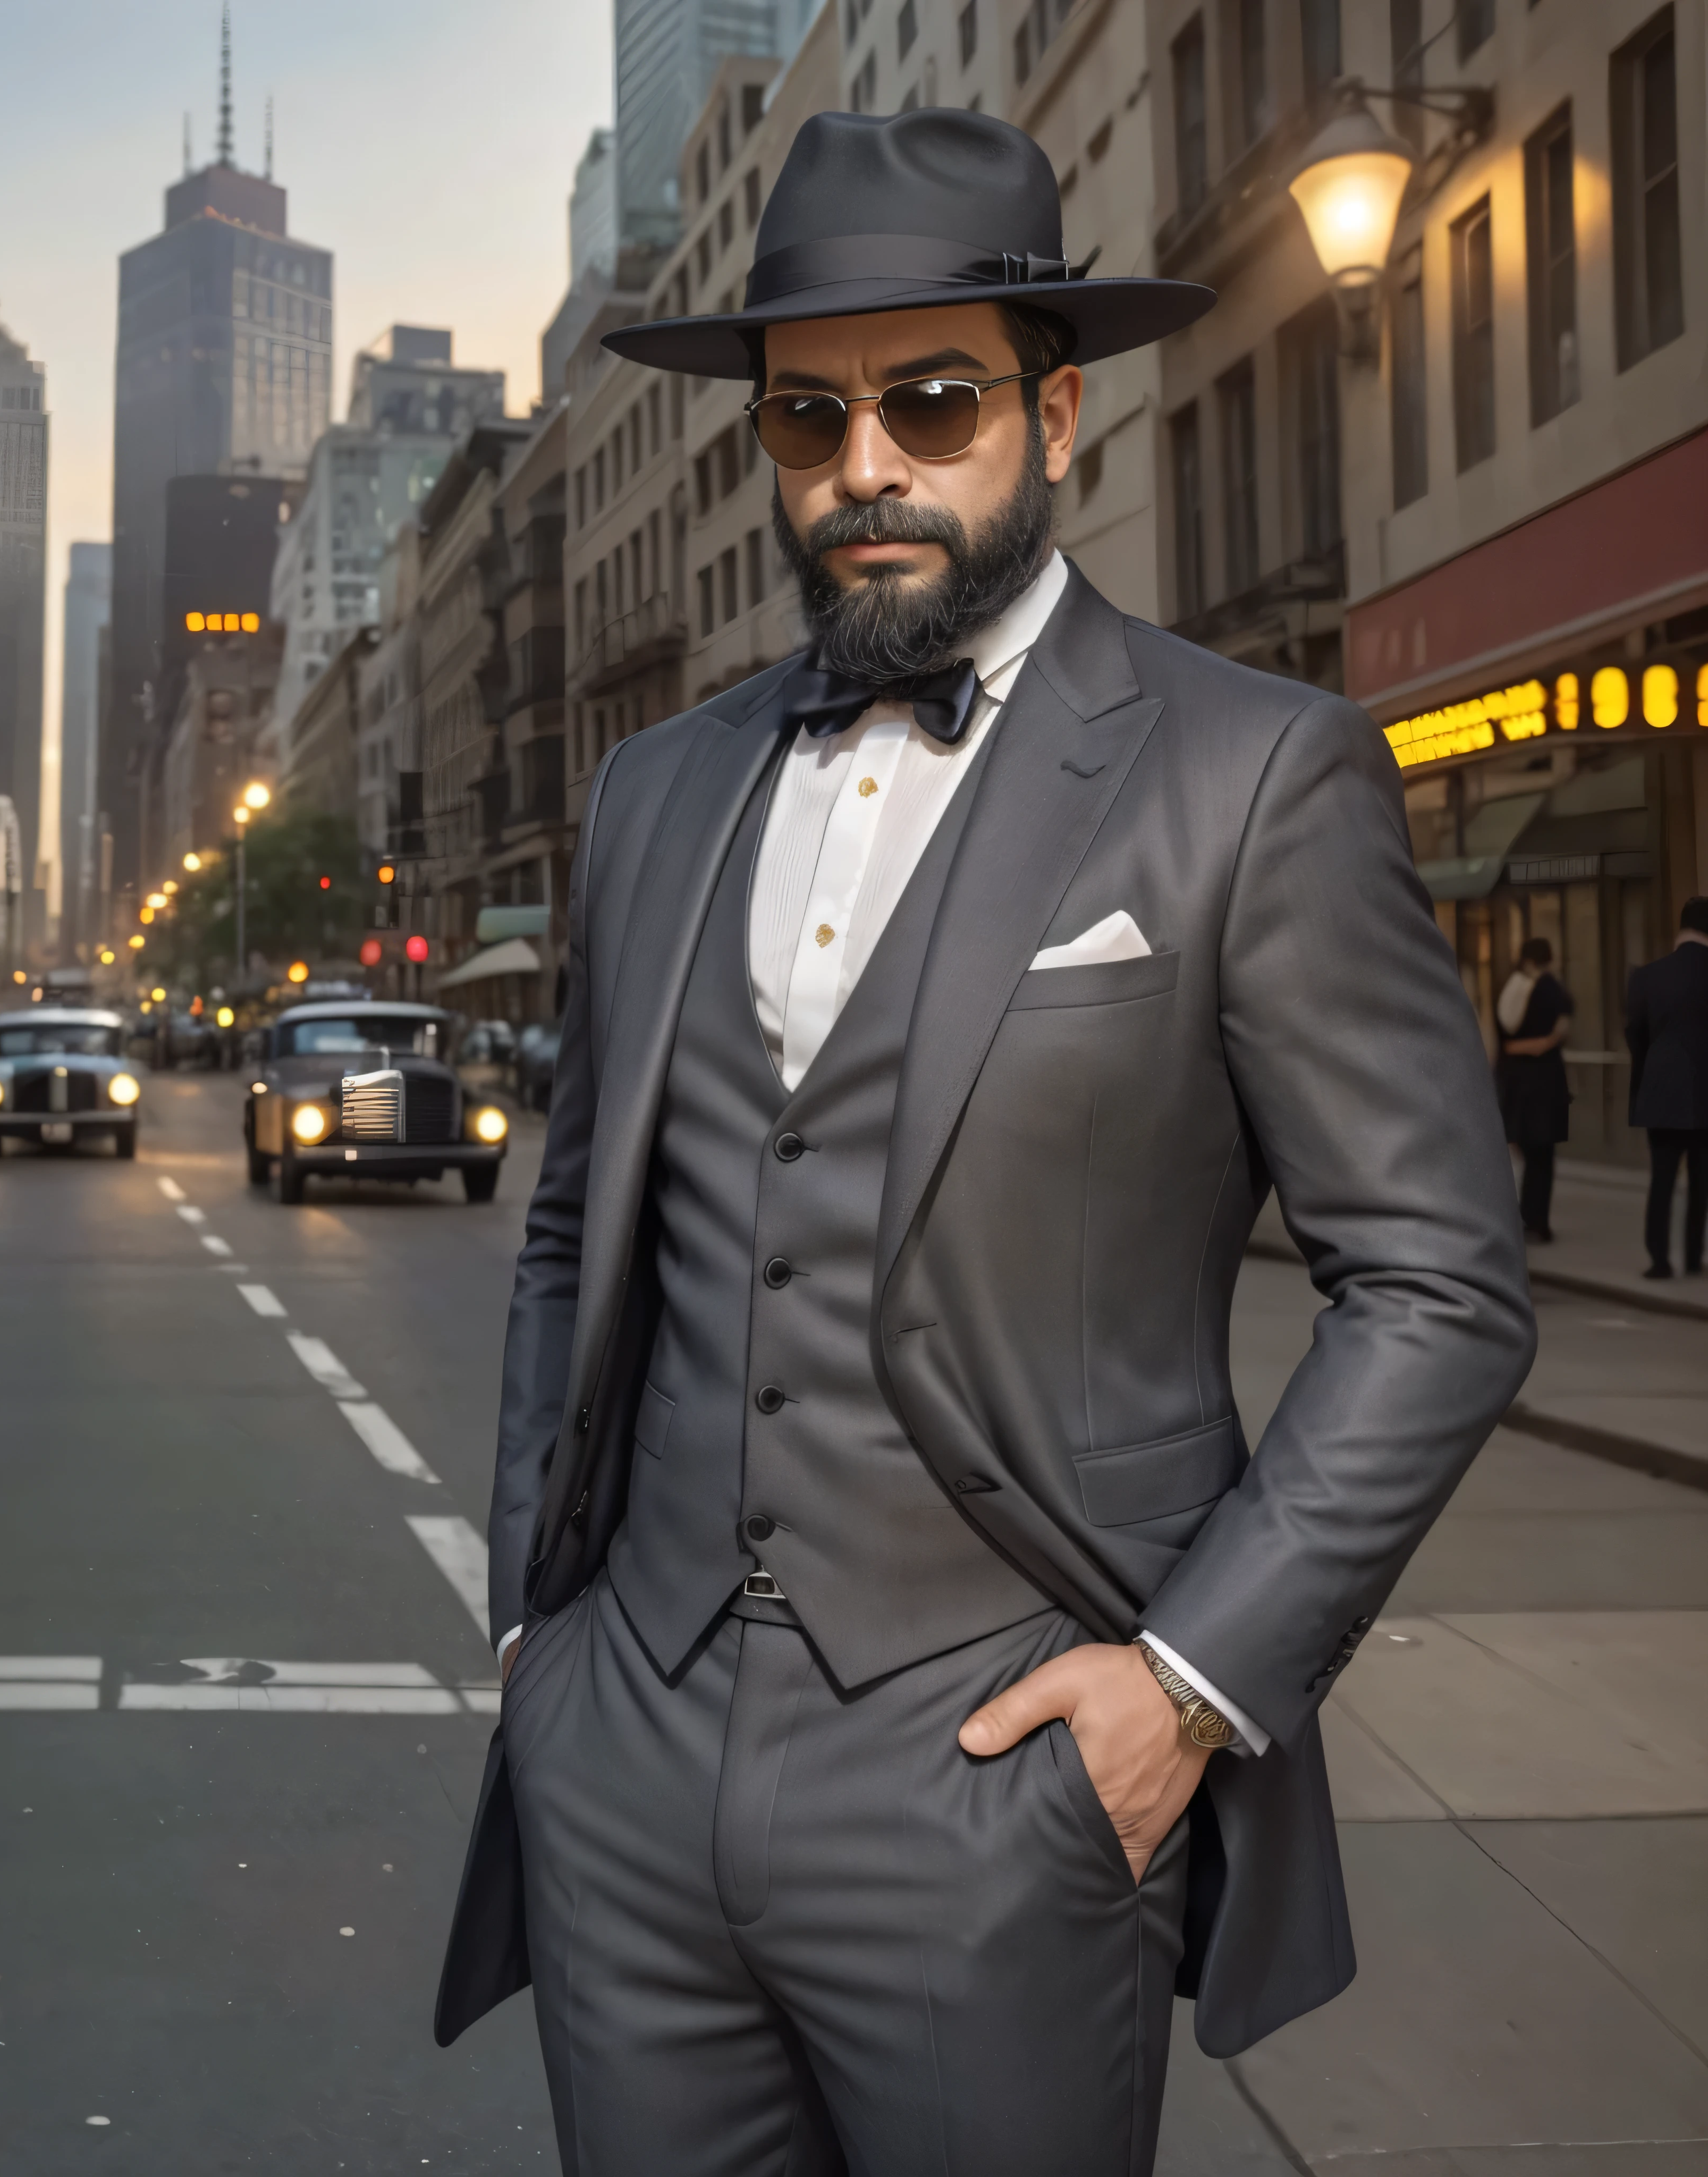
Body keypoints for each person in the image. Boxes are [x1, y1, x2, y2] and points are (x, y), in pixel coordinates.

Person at [435, 110, 1536, 2176]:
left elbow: (1442, 1284)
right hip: (627, 1773)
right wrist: (536, 1634)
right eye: (805, 417)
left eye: (930, 402)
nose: (865, 467)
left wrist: (1184, 1687)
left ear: (1052, 413)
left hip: (1003, 1782)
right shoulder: (654, 790)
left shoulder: (1249, 771)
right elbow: (576, 1225)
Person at [1626, 896, 1708, 1279]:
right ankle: (1694, 1256)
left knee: (1661, 1178)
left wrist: (1649, 1079)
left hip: (1661, 1091)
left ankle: (1659, 1259)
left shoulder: (1648, 976)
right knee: (1702, 1180)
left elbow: (1634, 1036)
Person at [1495, 936, 1572, 1244]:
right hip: (1547, 1080)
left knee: (1527, 1150)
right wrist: (1546, 1043)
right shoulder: (1553, 990)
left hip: (1518, 1080)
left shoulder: (1512, 989)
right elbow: (1562, 1030)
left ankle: (1526, 1216)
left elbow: (1504, 1038)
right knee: (1544, 1154)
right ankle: (1539, 1220)